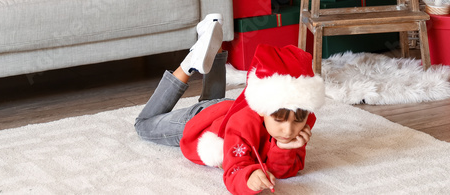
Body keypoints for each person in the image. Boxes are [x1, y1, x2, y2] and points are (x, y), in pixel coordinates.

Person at [134, 15, 325, 194]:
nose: (288, 130)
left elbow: (283, 171)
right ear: (262, 109)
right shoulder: (244, 126)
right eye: (279, 120)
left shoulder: (295, 114)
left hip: (226, 110)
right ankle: (188, 64)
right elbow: (234, 168)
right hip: (201, 121)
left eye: (298, 121)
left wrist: (284, 148)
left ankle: (212, 48)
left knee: (210, 102)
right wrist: (249, 178)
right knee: (143, 124)